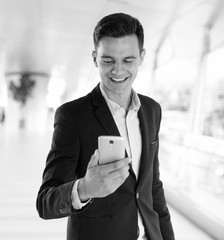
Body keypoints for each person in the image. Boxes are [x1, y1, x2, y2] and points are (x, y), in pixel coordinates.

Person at [36, 13, 175, 240]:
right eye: (108, 60)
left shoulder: (152, 110)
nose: (118, 70)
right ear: (94, 58)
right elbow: (45, 202)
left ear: (142, 57)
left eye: (128, 60)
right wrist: (84, 188)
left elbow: (152, 186)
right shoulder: (72, 116)